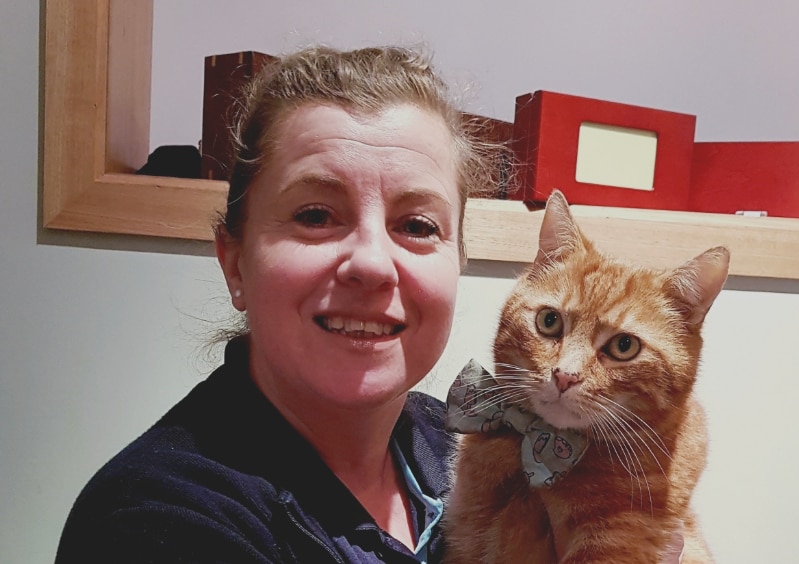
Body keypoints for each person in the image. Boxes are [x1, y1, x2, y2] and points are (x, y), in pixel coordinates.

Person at [55, 45, 497, 563]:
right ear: (235, 262)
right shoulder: (155, 523)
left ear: (459, 260)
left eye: (418, 226)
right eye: (315, 215)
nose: (373, 263)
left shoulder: (462, 447)